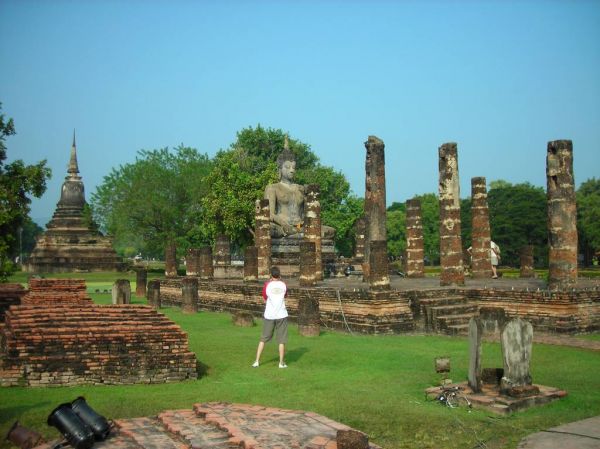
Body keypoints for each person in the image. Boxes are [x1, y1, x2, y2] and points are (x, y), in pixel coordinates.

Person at [263, 136, 335, 239]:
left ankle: (298, 235)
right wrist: (283, 224)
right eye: (287, 167)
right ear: (280, 169)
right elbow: (269, 214)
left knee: (329, 231)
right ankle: (297, 235)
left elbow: (309, 213)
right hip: (281, 227)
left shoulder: (300, 188)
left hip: (300, 226)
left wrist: (308, 196)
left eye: (294, 167)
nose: (291, 170)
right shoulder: (272, 188)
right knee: (267, 229)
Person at [252, 266, 289, 368]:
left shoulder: (267, 285)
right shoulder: (283, 285)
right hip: (281, 314)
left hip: (270, 315)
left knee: (263, 338)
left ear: (271, 275)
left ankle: (257, 361)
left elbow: (264, 297)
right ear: (279, 275)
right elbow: (285, 296)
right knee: (281, 340)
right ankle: (281, 363)